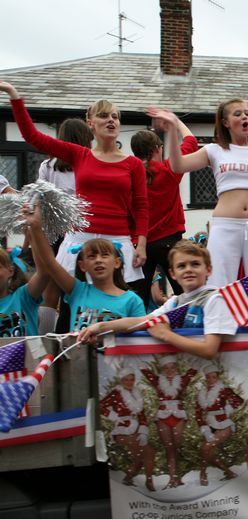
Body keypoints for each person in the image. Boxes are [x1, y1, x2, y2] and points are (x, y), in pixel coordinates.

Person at [0, 82, 149, 291]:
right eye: (104, 116)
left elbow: (141, 206)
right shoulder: (80, 155)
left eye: (115, 116)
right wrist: (14, 94)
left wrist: (141, 244)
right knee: (72, 303)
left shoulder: (133, 164)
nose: (111, 120)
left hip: (117, 241)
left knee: (116, 306)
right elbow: (32, 136)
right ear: (91, 123)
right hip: (80, 240)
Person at [145, 101, 248, 288]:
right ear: (225, 122)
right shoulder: (214, 150)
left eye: (247, 113)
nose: (244, 117)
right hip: (226, 225)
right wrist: (171, 130)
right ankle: (219, 317)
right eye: (238, 114)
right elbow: (178, 166)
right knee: (219, 284)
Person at [78, 240, 238, 359]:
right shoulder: (175, 302)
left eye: (195, 264)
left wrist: (166, 335)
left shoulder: (214, 299)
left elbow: (209, 350)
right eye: (182, 266)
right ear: (173, 274)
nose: (188, 270)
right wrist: (99, 327)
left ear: (208, 270)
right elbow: (140, 322)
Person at [25, 205, 145, 332]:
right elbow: (50, 263)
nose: (98, 260)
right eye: (92, 256)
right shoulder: (77, 291)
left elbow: (142, 337)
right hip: (77, 352)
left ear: (117, 262)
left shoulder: (132, 301)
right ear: (82, 266)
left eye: (104, 255)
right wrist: (36, 228)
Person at [130, 117, 199, 309]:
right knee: (186, 293)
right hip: (169, 240)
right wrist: (175, 121)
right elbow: (191, 141)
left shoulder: (130, 174)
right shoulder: (169, 169)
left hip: (139, 244)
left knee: (138, 300)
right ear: (157, 148)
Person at [35, 118, 94, 334]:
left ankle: (47, 339)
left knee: (51, 289)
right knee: (79, 286)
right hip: (80, 232)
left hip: (52, 231)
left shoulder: (47, 166)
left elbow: (39, 199)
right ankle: (77, 331)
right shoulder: (88, 164)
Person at [140, 356, 196, 490]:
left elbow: (193, 370)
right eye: (166, 368)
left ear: (176, 368)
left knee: (176, 447)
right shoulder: (158, 381)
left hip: (178, 415)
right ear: (162, 370)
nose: (169, 370)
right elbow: (145, 371)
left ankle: (177, 477)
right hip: (163, 416)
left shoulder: (182, 380)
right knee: (169, 448)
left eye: (172, 367)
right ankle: (172, 479)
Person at [99, 366, 156, 491]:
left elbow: (141, 415)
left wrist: (143, 432)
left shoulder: (137, 394)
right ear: (121, 381)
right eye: (126, 380)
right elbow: (100, 406)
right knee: (149, 452)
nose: (129, 382)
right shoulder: (116, 393)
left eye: (132, 379)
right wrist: (114, 417)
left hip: (136, 429)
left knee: (139, 458)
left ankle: (128, 478)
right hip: (122, 430)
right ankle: (149, 482)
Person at [194, 362, 244, 485]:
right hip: (209, 425)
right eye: (208, 377)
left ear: (218, 377)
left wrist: (228, 409)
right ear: (205, 378)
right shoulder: (201, 393)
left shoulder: (223, 389)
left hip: (224, 424)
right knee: (209, 453)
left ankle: (203, 473)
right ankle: (229, 472)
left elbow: (238, 400)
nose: (211, 380)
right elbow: (198, 413)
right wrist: (204, 428)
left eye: (214, 377)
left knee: (205, 447)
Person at [0, 244, 48, 337]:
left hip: (28, 351)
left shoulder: (23, 296)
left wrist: (35, 232)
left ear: (11, 271)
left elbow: (44, 272)